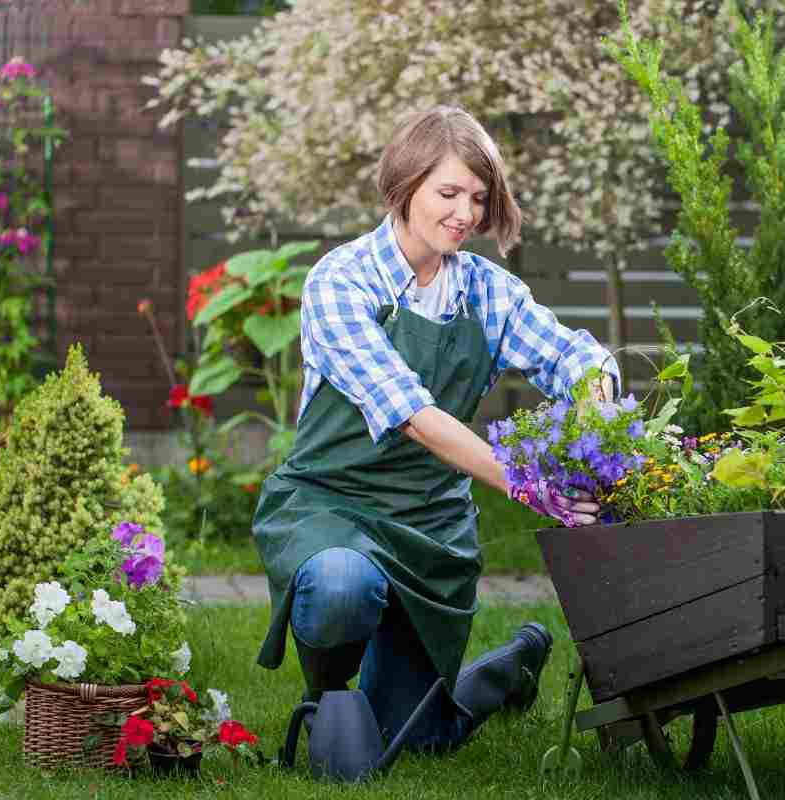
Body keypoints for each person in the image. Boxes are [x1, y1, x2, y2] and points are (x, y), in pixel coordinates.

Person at [252, 105, 619, 756]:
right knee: (340, 587)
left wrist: (592, 414)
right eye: (448, 193)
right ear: (405, 184)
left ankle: (511, 666)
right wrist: (531, 485)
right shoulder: (341, 281)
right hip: (332, 506)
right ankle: (328, 699)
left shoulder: (485, 292)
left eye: (478, 198)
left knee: (419, 741)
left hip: (430, 525)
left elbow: (580, 358)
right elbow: (413, 417)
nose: (465, 214)